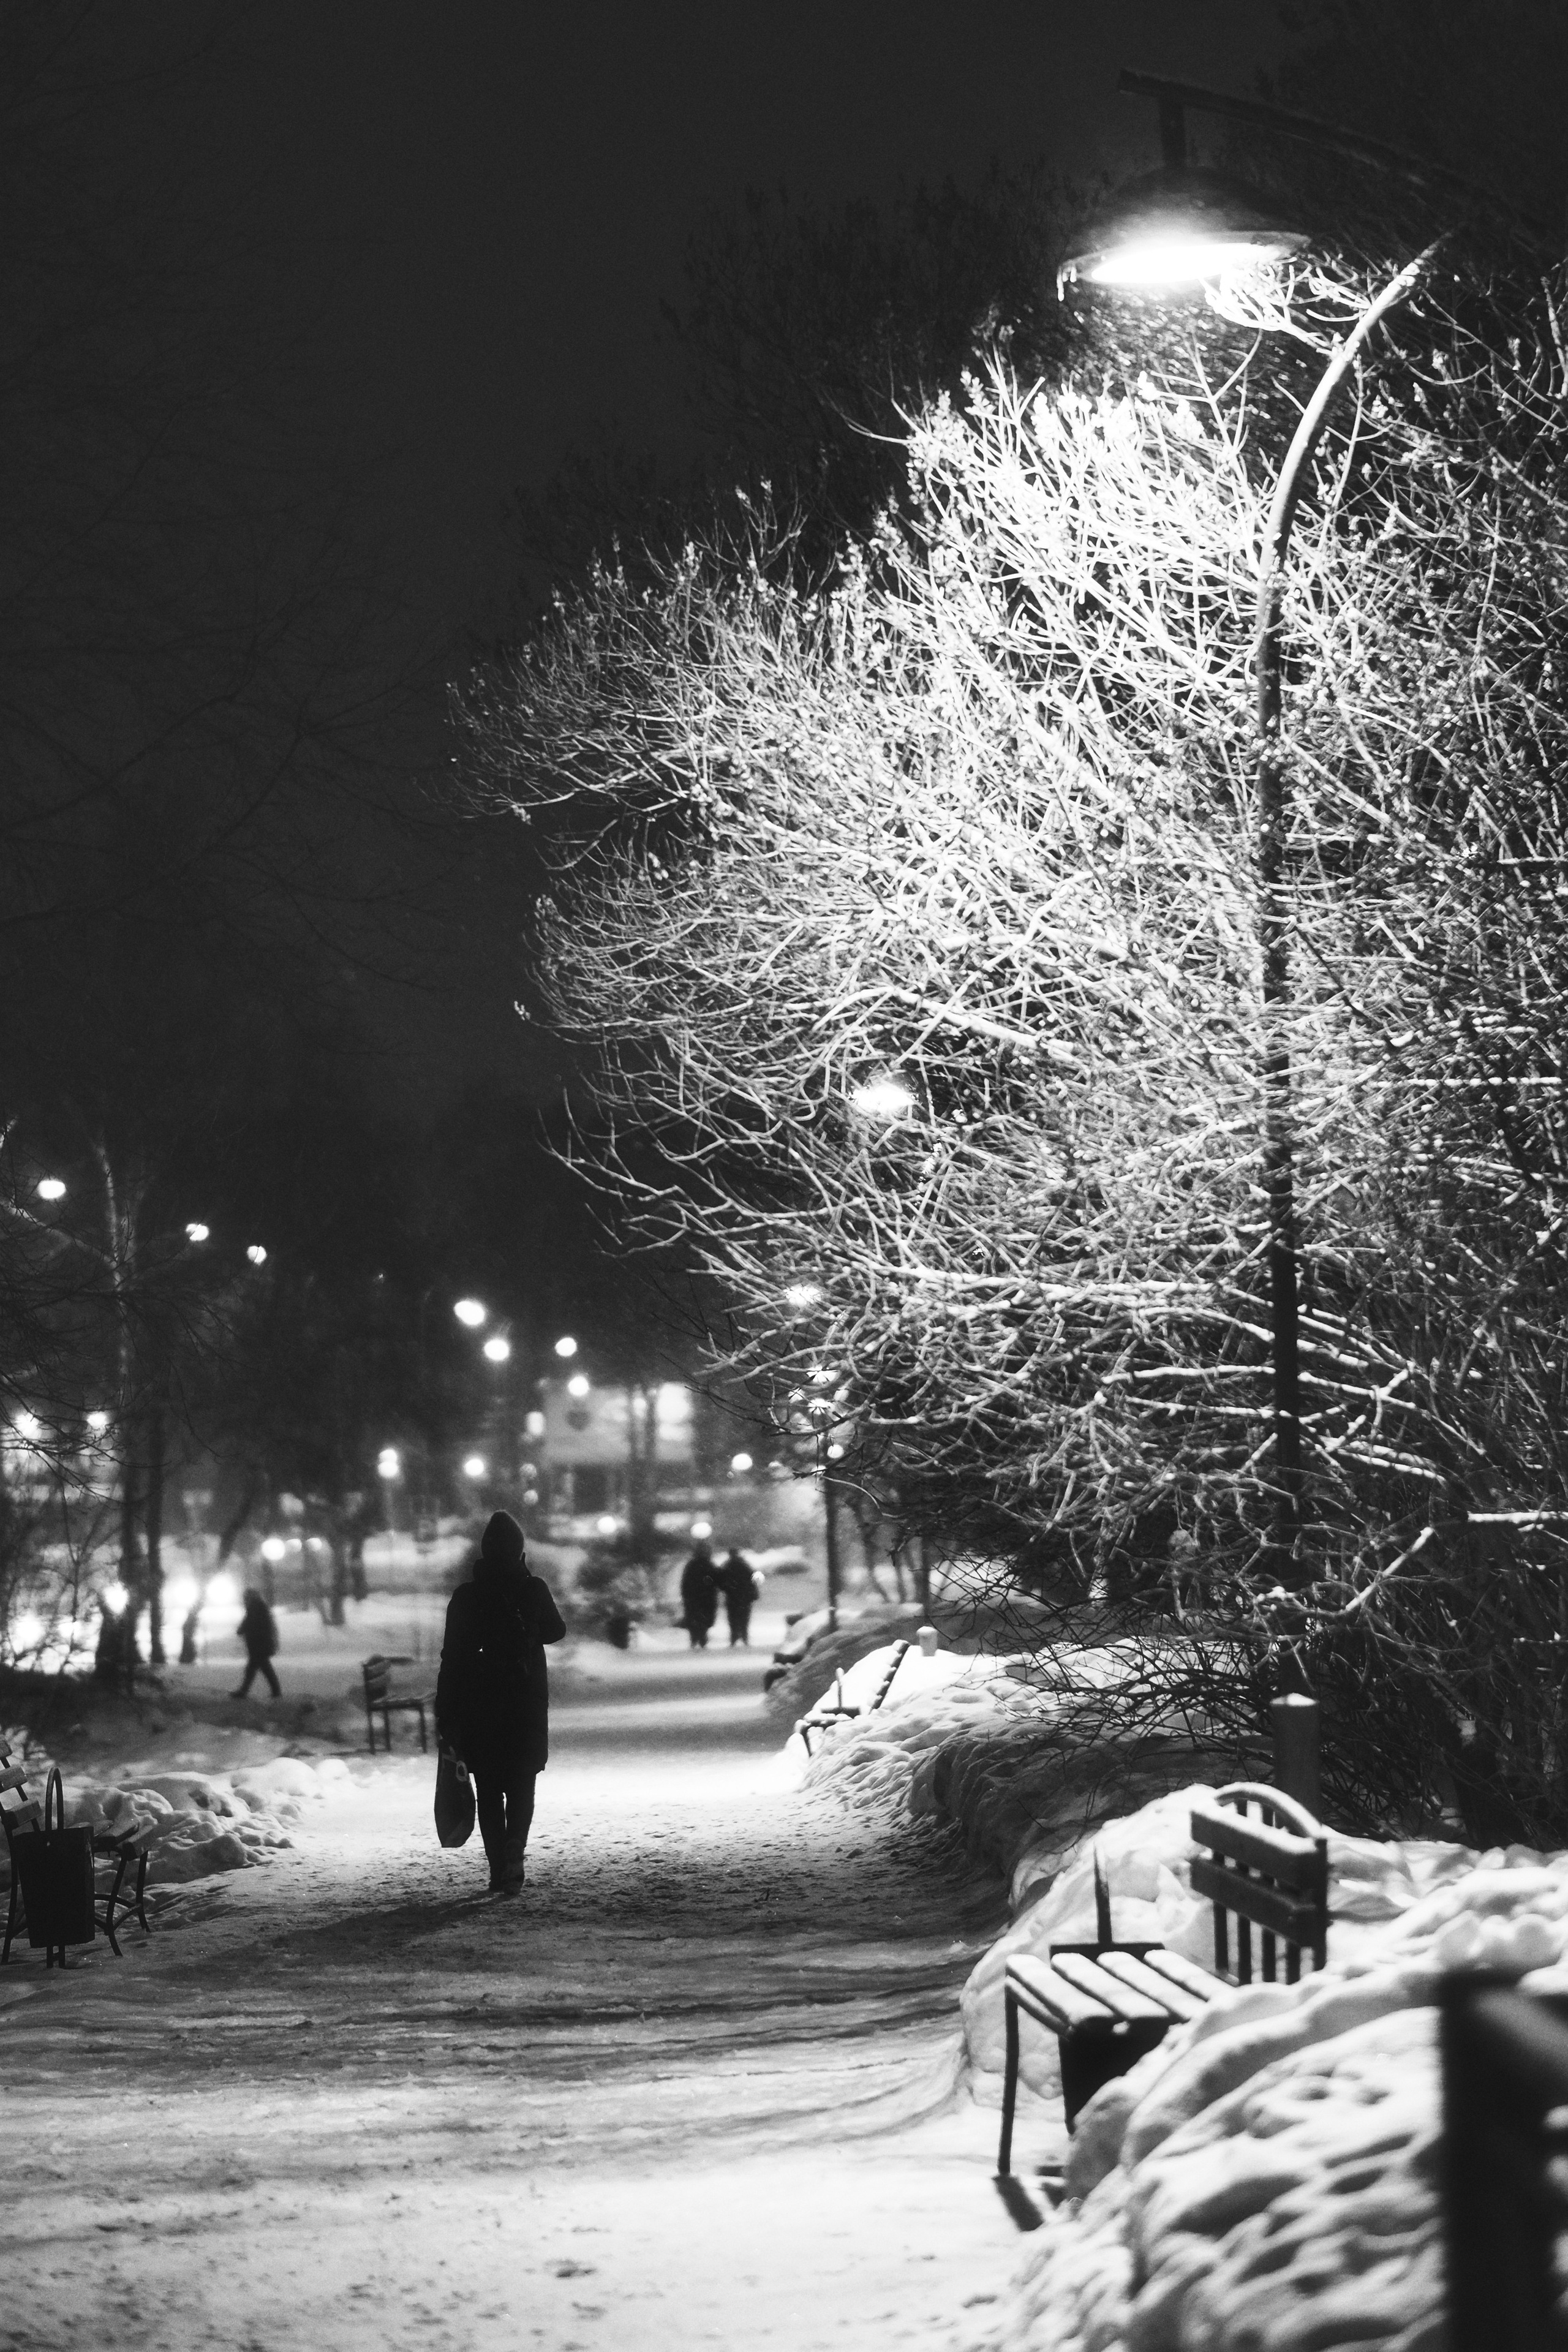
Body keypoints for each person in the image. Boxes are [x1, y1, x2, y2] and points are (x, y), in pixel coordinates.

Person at [435, 1510, 566, 1896]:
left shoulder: (466, 1597)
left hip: (480, 1706)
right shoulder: (533, 1589)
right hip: (524, 1704)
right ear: (520, 1552)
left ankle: (497, 1868)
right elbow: (557, 1631)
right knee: (522, 1783)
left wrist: (447, 1709)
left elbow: (452, 1656)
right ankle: (515, 1853)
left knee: (490, 1787)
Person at [231, 1589, 281, 1698]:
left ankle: (243, 1692)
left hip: (258, 1645)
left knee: (255, 1669)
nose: (244, 1601)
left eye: (245, 1598)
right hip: (260, 1645)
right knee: (261, 1669)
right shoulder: (258, 1607)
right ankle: (276, 1691)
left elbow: (250, 1623)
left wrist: (241, 1630)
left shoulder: (255, 1607)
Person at [678, 1540, 718, 1649]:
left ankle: (695, 1638)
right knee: (704, 1619)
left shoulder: (692, 1565)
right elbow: (716, 1580)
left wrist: (686, 1595)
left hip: (694, 1598)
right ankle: (702, 1637)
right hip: (706, 1598)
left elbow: (685, 1583)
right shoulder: (709, 1565)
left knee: (695, 1619)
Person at [717, 1548, 759, 1647]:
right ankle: (744, 1637)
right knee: (744, 1618)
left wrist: (726, 1589)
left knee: (733, 1619)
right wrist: (753, 1593)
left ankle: (734, 1637)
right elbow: (753, 1579)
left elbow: (721, 1581)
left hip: (732, 1597)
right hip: (745, 1597)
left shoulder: (727, 1566)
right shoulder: (745, 1565)